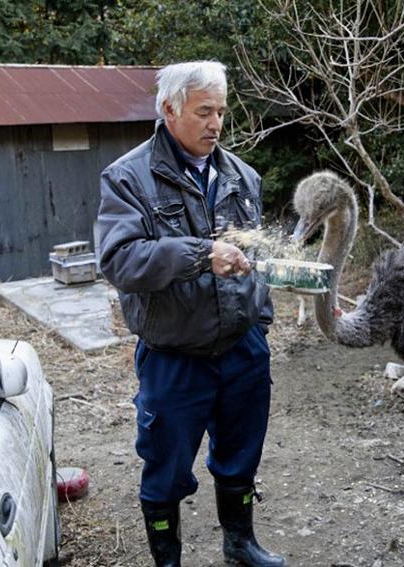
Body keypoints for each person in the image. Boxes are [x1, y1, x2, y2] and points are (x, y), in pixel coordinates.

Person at [96, 61, 284, 567]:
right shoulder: (128, 178)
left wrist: (259, 326)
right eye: (204, 111)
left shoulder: (241, 176)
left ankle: (239, 543)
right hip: (173, 355)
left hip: (242, 349)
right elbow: (119, 260)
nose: (215, 124)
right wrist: (201, 253)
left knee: (241, 452)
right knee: (166, 466)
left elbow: (257, 259)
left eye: (221, 111)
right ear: (169, 109)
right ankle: (168, 560)